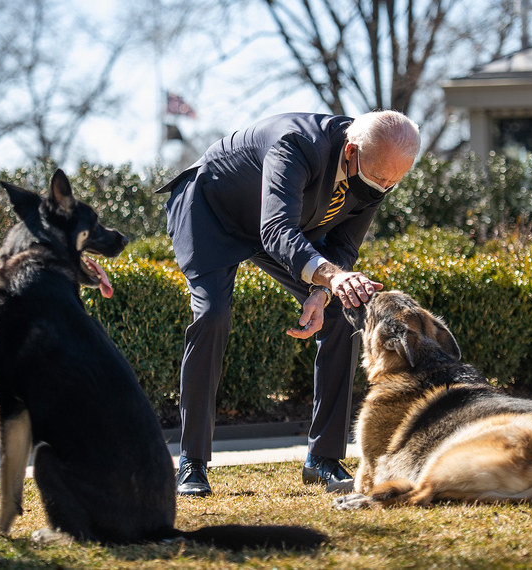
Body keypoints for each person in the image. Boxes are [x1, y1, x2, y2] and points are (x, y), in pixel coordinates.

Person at [158, 110, 420, 496]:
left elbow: (344, 245)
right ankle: (191, 462)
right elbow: (277, 229)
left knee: (342, 315)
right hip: (210, 212)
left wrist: (322, 291)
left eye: (393, 182)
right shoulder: (296, 144)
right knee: (212, 315)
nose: (383, 188)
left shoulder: (377, 164)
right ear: (349, 151)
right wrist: (330, 275)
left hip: (278, 228)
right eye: (380, 178)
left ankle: (322, 460)